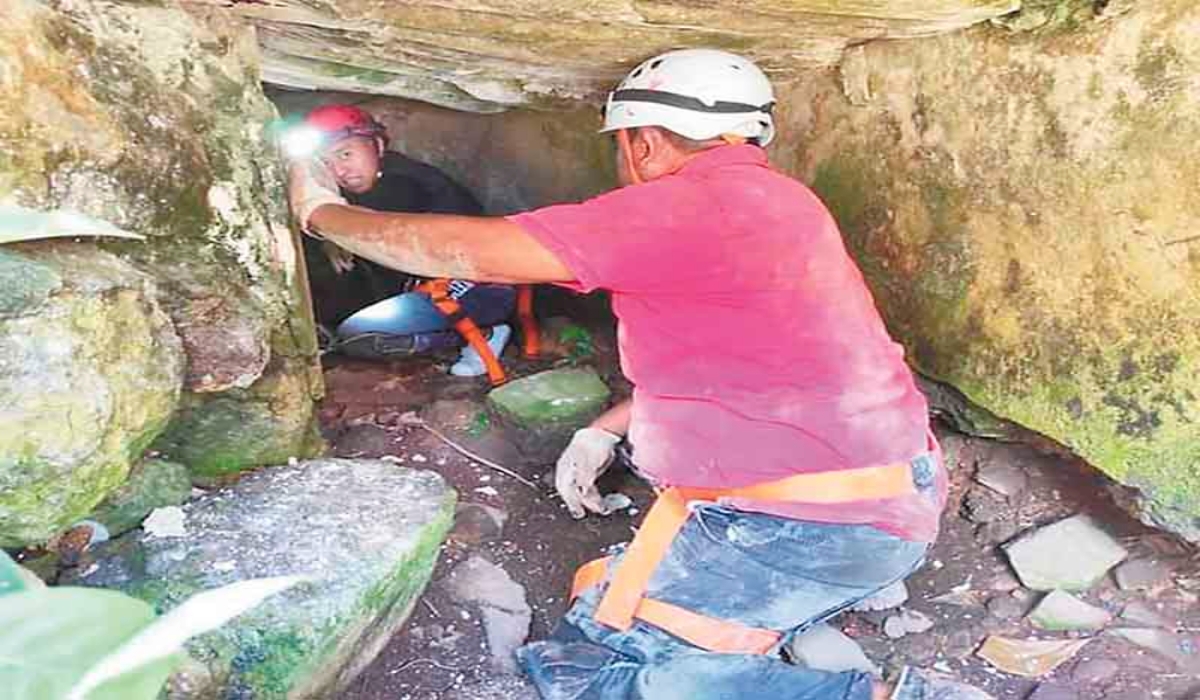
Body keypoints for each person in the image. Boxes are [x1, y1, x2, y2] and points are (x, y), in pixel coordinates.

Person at [289, 49, 992, 700]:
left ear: (643, 141)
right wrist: (605, 427)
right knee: (599, 607)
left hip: (808, 521)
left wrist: (323, 214)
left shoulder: (685, 206)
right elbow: (761, 361)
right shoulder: (780, 206)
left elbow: (489, 251)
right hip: (869, 498)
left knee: (597, 676)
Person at [297, 103, 514, 377]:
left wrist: (336, 234)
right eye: (326, 163)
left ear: (377, 145)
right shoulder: (354, 192)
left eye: (346, 153)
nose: (340, 170)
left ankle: (482, 333)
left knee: (361, 336)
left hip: (478, 287)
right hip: (424, 286)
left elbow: (380, 229)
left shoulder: (407, 184)